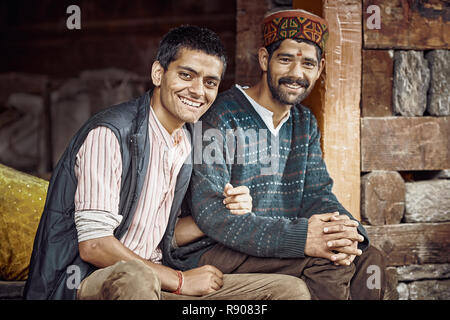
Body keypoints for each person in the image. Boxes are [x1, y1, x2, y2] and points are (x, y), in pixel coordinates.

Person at [23, 25, 310, 300]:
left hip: (157, 276)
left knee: (288, 291)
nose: (199, 91)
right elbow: (94, 245)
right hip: (87, 282)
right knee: (136, 277)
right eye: (187, 75)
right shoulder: (110, 134)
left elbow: (163, 236)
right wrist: (181, 281)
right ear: (158, 73)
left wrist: (223, 211)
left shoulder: (186, 141)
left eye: (210, 82)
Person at [162, 10, 387, 300]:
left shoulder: (304, 123)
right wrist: (302, 238)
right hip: (211, 250)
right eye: (285, 59)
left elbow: (317, 196)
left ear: (320, 69)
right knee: (328, 262)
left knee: (370, 259)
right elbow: (211, 215)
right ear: (265, 60)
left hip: (271, 246)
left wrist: (349, 233)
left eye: (307, 63)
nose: (296, 73)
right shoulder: (219, 116)